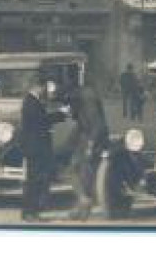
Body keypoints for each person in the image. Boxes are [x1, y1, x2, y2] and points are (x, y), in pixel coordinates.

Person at [18, 72, 66, 222]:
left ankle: (31, 212)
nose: (44, 89)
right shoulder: (31, 102)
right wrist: (60, 114)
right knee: (33, 182)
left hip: (36, 148)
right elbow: (42, 121)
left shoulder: (34, 101)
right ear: (37, 86)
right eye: (43, 86)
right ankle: (29, 212)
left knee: (35, 181)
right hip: (35, 149)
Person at [66, 80, 110, 222]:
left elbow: (97, 124)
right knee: (82, 174)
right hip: (89, 138)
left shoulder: (86, 97)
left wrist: (90, 146)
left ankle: (83, 204)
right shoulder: (82, 96)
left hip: (94, 139)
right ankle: (82, 207)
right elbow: (81, 124)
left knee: (78, 171)